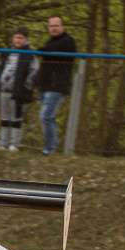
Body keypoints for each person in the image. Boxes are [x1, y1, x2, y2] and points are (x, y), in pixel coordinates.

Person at [0, 28, 38, 151]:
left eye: (21, 38)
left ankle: (14, 144)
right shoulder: (6, 53)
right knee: (4, 117)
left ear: (26, 39)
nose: (18, 40)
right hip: (3, 89)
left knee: (16, 117)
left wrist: (26, 87)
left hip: (18, 92)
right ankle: (3, 143)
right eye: (16, 37)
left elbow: (34, 72)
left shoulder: (30, 55)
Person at [36, 15, 77, 154]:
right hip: (45, 86)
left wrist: (42, 50)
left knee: (45, 116)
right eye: (51, 26)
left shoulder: (68, 41)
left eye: (56, 25)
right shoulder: (50, 42)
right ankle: (51, 146)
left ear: (62, 27)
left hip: (57, 86)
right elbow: (46, 54)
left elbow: (51, 50)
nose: (53, 28)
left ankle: (49, 148)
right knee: (48, 117)